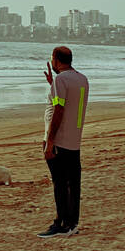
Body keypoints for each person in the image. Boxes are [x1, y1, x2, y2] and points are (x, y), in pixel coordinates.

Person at [39, 46, 89, 237]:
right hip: (74, 139)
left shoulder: (62, 80)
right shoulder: (81, 79)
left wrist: (50, 141)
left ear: (56, 60)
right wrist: (53, 85)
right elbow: (72, 101)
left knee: (59, 183)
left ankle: (61, 224)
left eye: (52, 58)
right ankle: (72, 223)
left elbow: (59, 109)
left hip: (60, 139)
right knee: (73, 183)